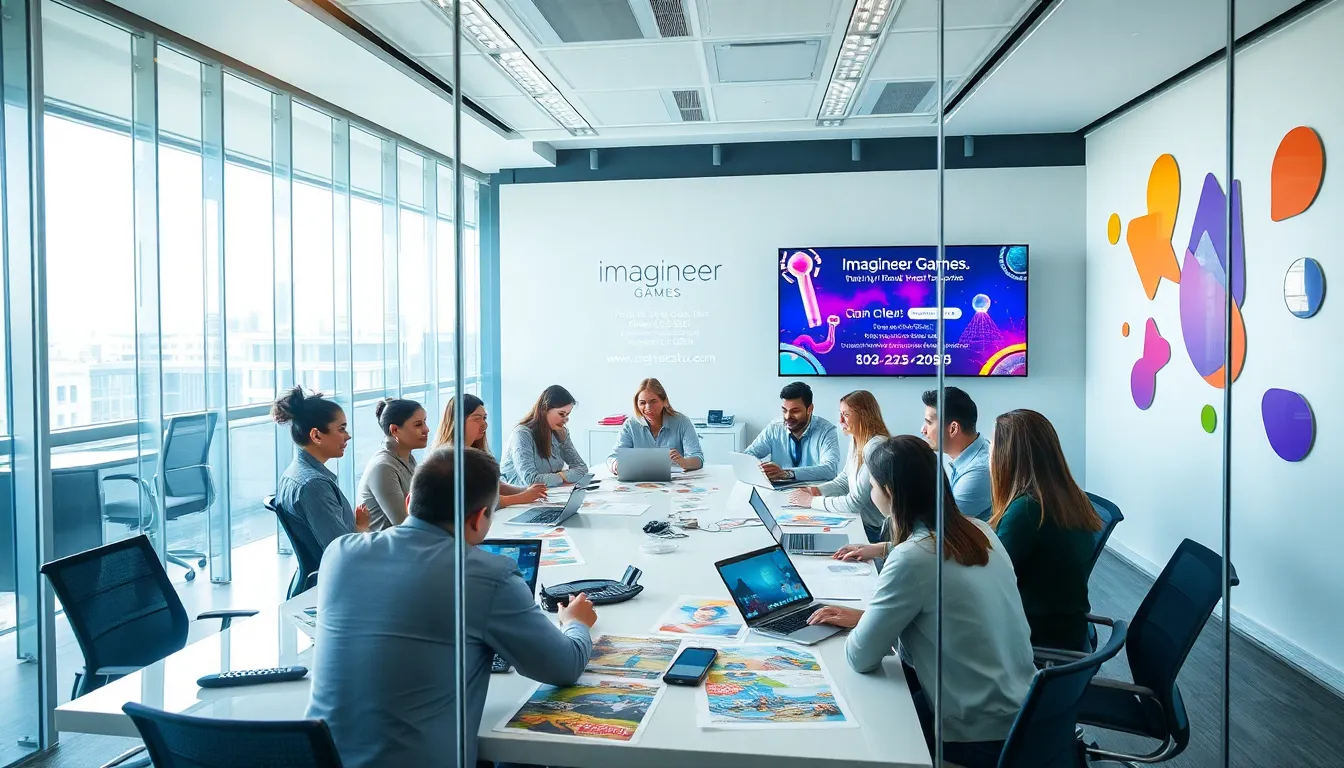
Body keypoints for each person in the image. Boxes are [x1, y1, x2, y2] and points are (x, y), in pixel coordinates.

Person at [307, 446, 597, 768]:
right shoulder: (488, 575)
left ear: (409, 502)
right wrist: (575, 622)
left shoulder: (339, 553)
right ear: (478, 519)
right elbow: (563, 667)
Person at [810, 435, 1035, 768]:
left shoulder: (912, 558)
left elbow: (861, 657)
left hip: (973, 733)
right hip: (1026, 712)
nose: (871, 493)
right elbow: (946, 604)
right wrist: (869, 615)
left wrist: (874, 623)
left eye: (873, 486)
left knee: (860, 720)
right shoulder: (980, 530)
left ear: (889, 492)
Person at [990, 409, 1102, 651]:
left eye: (993, 446)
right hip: (1069, 633)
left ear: (1006, 456)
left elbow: (989, 579)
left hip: (1040, 643)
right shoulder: (1068, 498)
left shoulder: (1027, 511)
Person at [272, 386, 369, 551]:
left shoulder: (294, 474)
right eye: (341, 429)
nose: (348, 436)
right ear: (316, 435)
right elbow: (344, 550)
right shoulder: (314, 486)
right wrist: (361, 528)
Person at [788, 390, 890, 542]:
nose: (840, 420)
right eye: (840, 414)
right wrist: (816, 490)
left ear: (864, 416)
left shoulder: (875, 447)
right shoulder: (856, 439)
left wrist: (811, 501)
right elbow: (844, 480)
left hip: (874, 531)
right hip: (859, 522)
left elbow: (854, 503)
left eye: (846, 415)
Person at [434, 393, 548, 507]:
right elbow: (475, 502)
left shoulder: (475, 453)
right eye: (477, 419)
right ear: (458, 422)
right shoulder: (448, 459)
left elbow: (496, 485)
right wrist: (522, 497)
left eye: (484, 418)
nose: (484, 424)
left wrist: (527, 490)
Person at [743, 381, 841, 483]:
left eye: (795, 411)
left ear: (810, 409)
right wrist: (762, 468)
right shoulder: (774, 428)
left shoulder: (826, 431)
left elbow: (830, 469)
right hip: (779, 489)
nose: (787, 417)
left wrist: (787, 474)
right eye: (784, 410)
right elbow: (748, 456)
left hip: (814, 490)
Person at [355, 398, 429, 531]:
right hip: (390, 543)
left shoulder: (407, 458)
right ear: (394, 429)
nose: (426, 429)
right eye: (418, 425)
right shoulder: (383, 467)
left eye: (425, 422)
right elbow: (404, 526)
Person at [920, 387, 992, 520]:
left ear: (953, 429)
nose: (923, 430)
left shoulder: (979, 471)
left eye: (929, 423)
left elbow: (940, 522)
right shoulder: (960, 454)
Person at [607, 378, 704, 472]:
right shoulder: (630, 425)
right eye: (642, 403)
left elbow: (698, 458)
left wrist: (685, 462)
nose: (648, 408)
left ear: (664, 401)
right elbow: (613, 457)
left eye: (653, 401)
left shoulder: (681, 422)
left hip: (675, 480)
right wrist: (617, 465)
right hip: (640, 479)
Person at [500, 385, 589, 487]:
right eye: (561, 414)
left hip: (551, 492)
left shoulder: (560, 432)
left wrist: (557, 477)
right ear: (544, 409)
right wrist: (562, 476)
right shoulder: (522, 434)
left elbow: (582, 468)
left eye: (568, 414)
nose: (566, 420)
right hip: (520, 494)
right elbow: (531, 480)